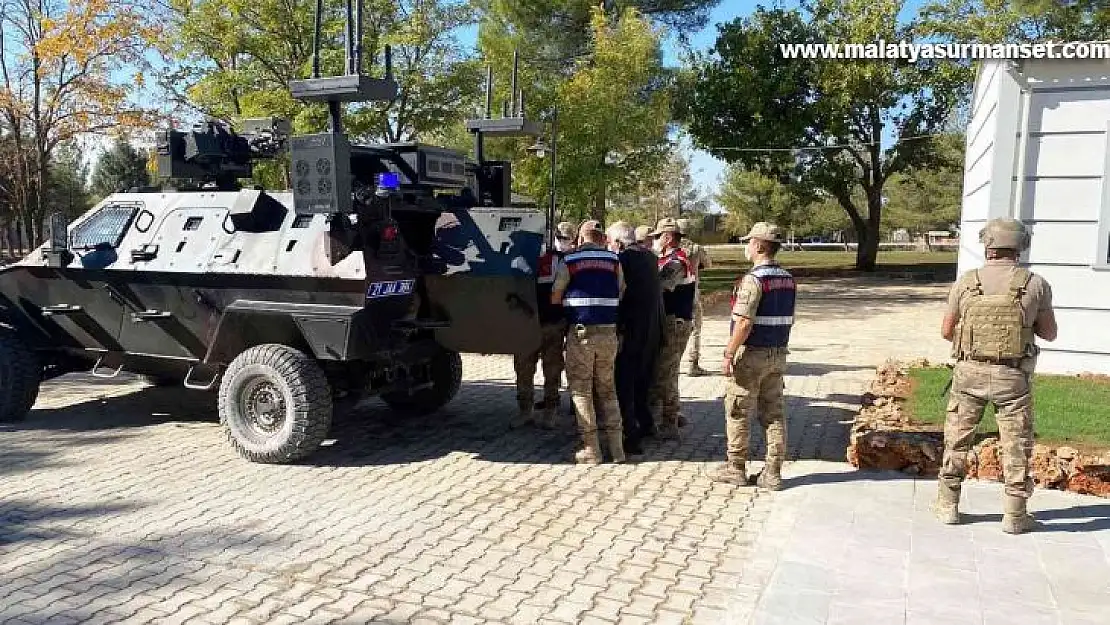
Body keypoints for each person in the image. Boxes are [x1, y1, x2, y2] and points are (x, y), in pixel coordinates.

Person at [934, 218, 1057, 534]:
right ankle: (1015, 515)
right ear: (1020, 245)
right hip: (1012, 378)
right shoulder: (1035, 284)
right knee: (1016, 444)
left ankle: (948, 505)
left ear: (987, 244)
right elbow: (1050, 333)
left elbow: (947, 330)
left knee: (957, 440)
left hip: (968, 374)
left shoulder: (966, 282)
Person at [713, 222, 795, 490]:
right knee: (774, 413)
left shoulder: (754, 279)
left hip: (752, 355)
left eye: (749, 242)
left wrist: (728, 353)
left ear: (759, 246)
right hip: (778, 353)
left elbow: (744, 323)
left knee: (737, 410)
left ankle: (736, 468)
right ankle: (772, 472)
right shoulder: (787, 278)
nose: (746, 247)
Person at [551, 220, 626, 464]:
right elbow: (621, 290)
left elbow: (555, 295)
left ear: (580, 238)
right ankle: (617, 450)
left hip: (581, 334)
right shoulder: (614, 260)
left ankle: (591, 448)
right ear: (601, 237)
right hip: (608, 332)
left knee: (581, 390)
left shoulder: (570, 261)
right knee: (607, 388)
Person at [606, 221, 665, 456]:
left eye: (611, 242)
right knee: (643, 381)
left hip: (631, 331)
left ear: (619, 242)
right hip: (653, 330)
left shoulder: (623, 260)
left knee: (625, 385)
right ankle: (647, 424)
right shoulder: (650, 257)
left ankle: (631, 437)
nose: (611, 247)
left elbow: (620, 296)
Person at [512, 221, 577, 429]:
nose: (562, 242)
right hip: (529, 323)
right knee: (523, 368)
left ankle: (551, 411)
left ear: (574, 240)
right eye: (559, 238)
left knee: (552, 370)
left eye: (567, 239)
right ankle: (525, 410)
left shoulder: (574, 262)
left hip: (555, 324)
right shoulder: (538, 258)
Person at [647, 217, 697, 440]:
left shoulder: (676, 263)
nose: (655, 241)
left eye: (657, 237)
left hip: (675, 323)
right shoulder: (668, 259)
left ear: (667, 238)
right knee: (664, 370)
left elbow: (660, 287)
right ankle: (669, 415)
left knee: (666, 373)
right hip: (669, 321)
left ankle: (670, 422)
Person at [676, 218, 713, 377]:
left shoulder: (669, 247)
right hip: (692, 293)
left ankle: (673, 364)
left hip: (672, 294)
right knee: (695, 329)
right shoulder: (696, 248)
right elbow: (708, 264)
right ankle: (693, 364)